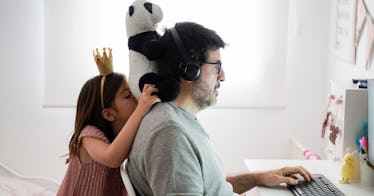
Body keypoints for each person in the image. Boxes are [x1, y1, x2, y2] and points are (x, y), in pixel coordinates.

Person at [126, 22, 313, 195]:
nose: (222, 76)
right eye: (217, 67)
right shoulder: (170, 135)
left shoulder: (178, 120)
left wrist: (259, 178)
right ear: (189, 70)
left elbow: (208, 186)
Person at [57, 48, 160, 196]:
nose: (136, 98)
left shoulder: (119, 136)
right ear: (109, 114)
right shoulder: (89, 135)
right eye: (127, 95)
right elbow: (111, 158)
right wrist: (140, 111)